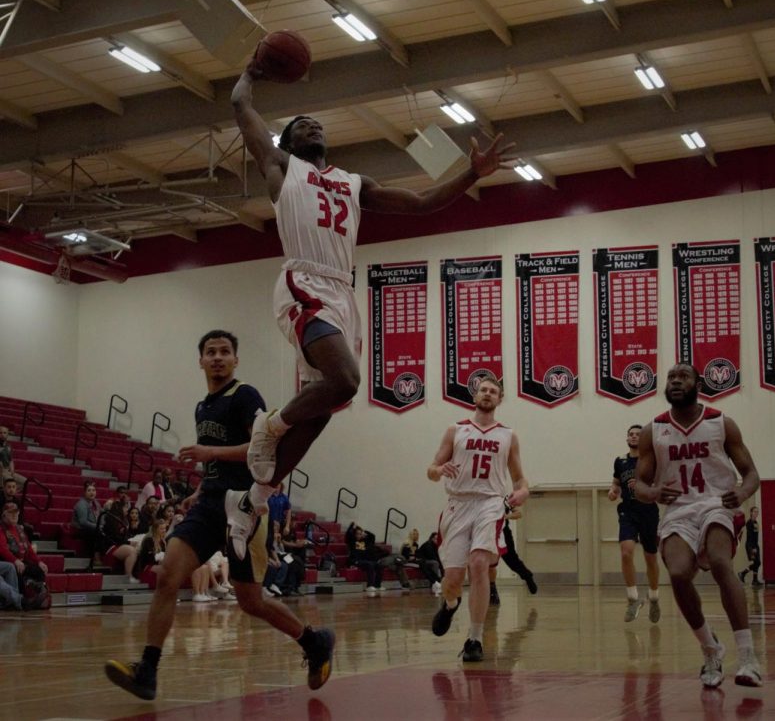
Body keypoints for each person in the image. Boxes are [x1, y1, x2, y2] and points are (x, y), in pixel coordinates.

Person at [225, 66, 514, 558]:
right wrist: (253, 72)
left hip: (343, 292)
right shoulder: (281, 167)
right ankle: (269, 426)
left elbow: (422, 203)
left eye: (318, 123)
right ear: (289, 142)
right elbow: (241, 108)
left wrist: (471, 174)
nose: (313, 126)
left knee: (323, 410)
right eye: (302, 124)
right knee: (345, 381)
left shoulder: (353, 182)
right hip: (304, 280)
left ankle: (252, 499)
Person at [104, 329, 334, 701]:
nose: (217, 357)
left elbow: (265, 449)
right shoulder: (203, 406)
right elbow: (216, 460)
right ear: (200, 360)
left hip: (245, 505)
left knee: (250, 601)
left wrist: (210, 454)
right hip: (210, 503)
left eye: (224, 351)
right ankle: (148, 669)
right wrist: (198, 489)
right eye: (210, 352)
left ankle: (313, 640)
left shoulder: (244, 395)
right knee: (167, 576)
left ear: (235, 360)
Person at [634, 362, 763, 689]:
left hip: (717, 504)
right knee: (678, 574)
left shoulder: (722, 423)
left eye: (683, 377)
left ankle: (747, 656)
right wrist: (653, 492)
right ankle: (711, 648)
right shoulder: (654, 430)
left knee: (721, 563)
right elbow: (638, 483)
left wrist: (742, 492)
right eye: (671, 378)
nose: (676, 382)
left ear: (698, 384)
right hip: (679, 510)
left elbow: (751, 474)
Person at [427, 373, 530, 662]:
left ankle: (474, 638)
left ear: (499, 399)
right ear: (475, 396)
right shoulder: (455, 430)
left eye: (493, 391)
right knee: (453, 579)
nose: (487, 394)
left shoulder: (508, 435)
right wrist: (439, 469)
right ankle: (449, 604)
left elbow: (521, 480)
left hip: (490, 503)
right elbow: (431, 469)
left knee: (479, 563)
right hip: (458, 504)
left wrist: (523, 492)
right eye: (483, 390)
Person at [608, 424, 661, 623]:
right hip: (628, 510)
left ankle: (654, 597)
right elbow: (615, 483)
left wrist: (643, 486)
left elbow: (660, 485)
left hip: (648, 511)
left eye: (638, 434)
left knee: (650, 558)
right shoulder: (620, 461)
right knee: (626, 551)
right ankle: (633, 598)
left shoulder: (652, 461)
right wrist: (613, 491)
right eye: (630, 434)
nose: (634, 437)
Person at [488, 506, 537, 605]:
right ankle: (491, 590)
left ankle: (527, 576)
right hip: (487, 533)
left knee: (512, 561)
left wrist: (506, 516)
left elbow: (518, 514)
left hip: (503, 533)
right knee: (487, 563)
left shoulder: (506, 500)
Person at [402, 527, 442, 595]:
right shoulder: (407, 544)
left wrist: (417, 558)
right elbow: (404, 555)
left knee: (424, 563)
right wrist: (413, 558)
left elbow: (416, 554)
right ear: (411, 535)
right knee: (422, 563)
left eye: (417, 534)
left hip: (415, 561)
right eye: (414, 534)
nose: (416, 536)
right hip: (407, 561)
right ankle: (434, 581)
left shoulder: (416, 544)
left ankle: (436, 580)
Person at [738, 506, 762, 588]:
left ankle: (754, 580)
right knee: (757, 562)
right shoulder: (749, 523)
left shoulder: (756, 522)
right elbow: (750, 536)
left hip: (755, 545)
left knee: (757, 562)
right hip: (750, 545)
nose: (756, 513)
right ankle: (743, 573)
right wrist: (753, 547)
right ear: (751, 512)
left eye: (757, 512)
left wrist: (756, 546)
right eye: (755, 511)